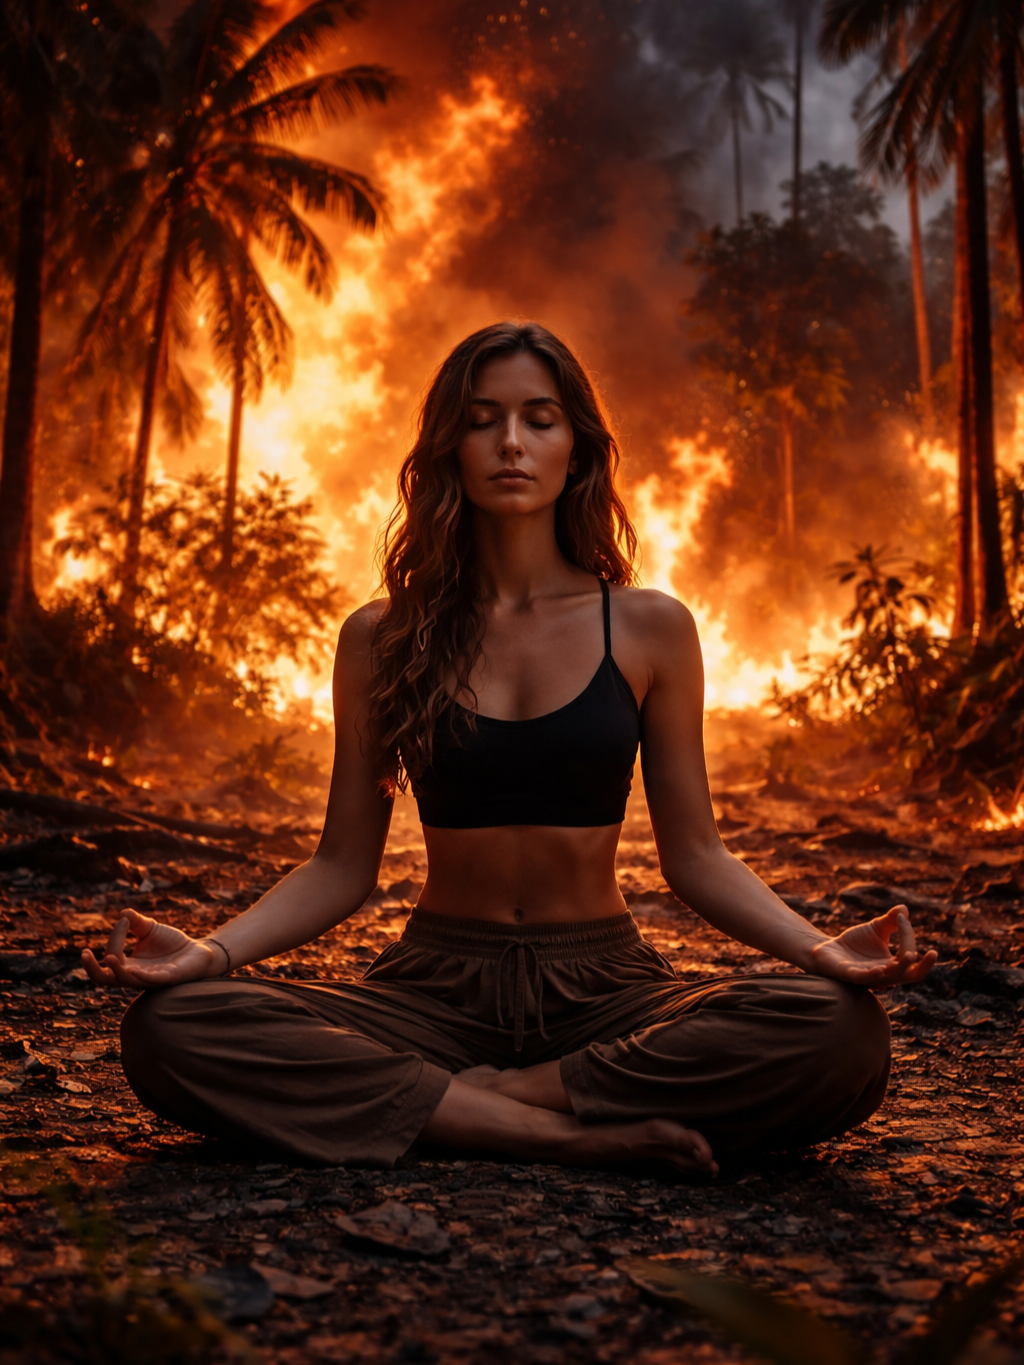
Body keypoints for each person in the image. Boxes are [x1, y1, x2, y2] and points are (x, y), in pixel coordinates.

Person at [82, 322, 935, 1175]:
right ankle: (557, 1130)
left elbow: (697, 853)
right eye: (484, 418)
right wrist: (211, 953)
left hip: (606, 988)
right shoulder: (383, 636)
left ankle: (490, 1097)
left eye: (540, 418)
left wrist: (818, 949)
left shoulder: (648, 627)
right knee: (169, 1027)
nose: (513, 443)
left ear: (580, 447)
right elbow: (342, 865)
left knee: (842, 1029)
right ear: (450, 446)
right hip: (433, 991)